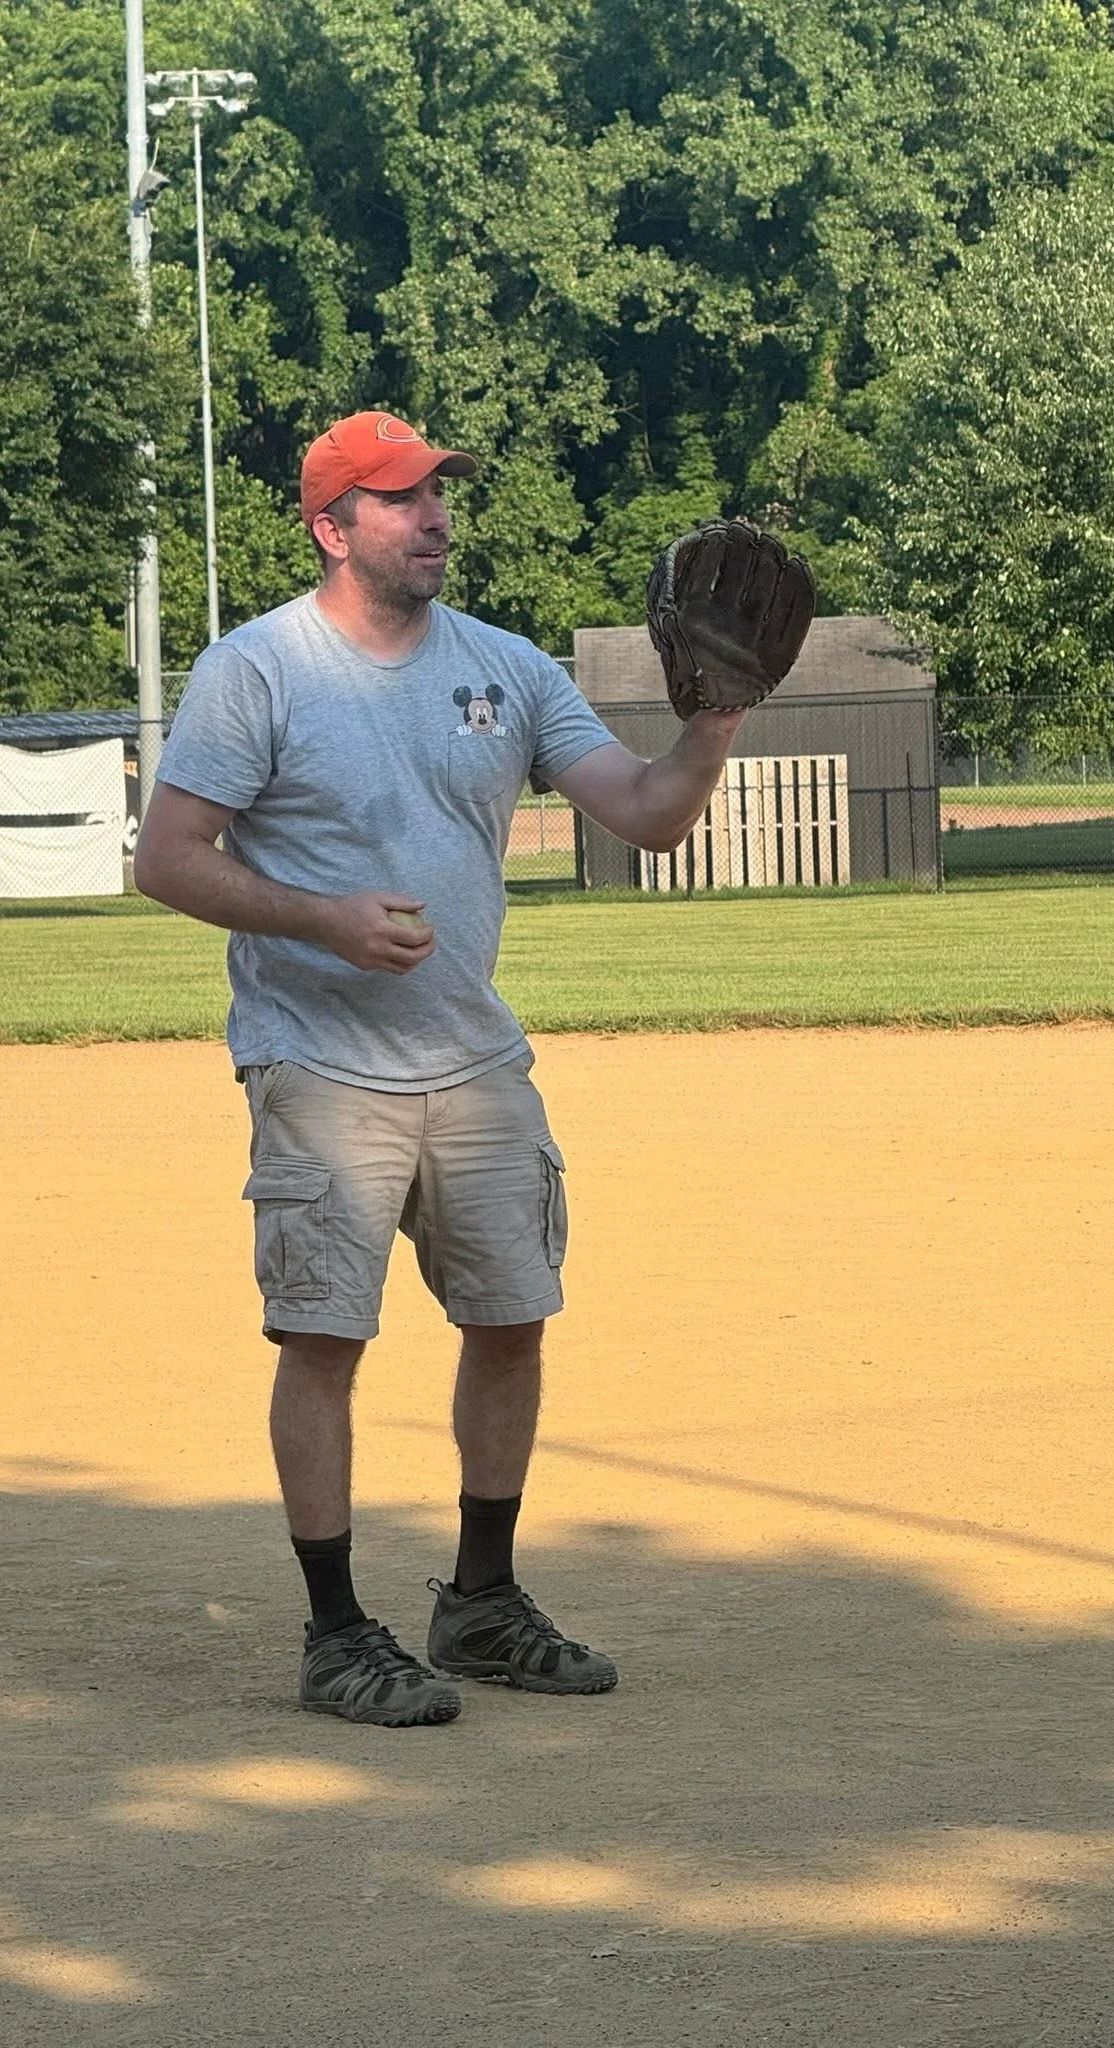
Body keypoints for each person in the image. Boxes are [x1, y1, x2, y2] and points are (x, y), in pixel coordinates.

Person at [134, 410, 746, 1726]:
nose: (433, 517)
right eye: (402, 497)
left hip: (473, 1060)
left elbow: (643, 814)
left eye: (439, 494)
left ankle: (480, 1601)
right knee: (324, 1335)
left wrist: (713, 726)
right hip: (319, 1061)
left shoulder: (507, 667)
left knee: (512, 1314)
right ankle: (337, 1631)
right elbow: (169, 856)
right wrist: (321, 916)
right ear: (332, 523)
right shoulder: (260, 671)